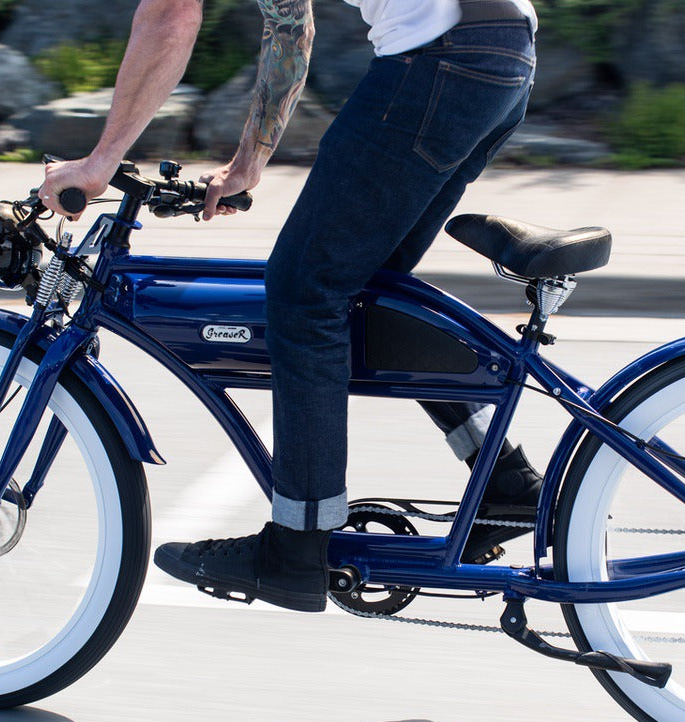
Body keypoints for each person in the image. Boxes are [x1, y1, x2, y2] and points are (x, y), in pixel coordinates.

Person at [40, 0, 541, 613]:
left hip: (440, 61)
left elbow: (171, 13)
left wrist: (100, 162)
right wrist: (248, 162)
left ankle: (297, 546)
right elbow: (288, 23)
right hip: (503, 54)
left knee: (305, 296)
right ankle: (506, 480)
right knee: (370, 286)